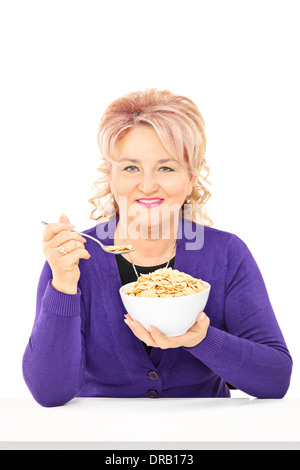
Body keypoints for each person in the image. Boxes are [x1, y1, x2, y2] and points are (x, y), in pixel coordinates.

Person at [22, 89, 292, 407]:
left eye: (166, 168)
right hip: (99, 435)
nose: (148, 185)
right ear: (110, 176)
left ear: (191, 178)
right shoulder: (75, 258)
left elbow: (275, 379)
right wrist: (64, 286)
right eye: (131, 168)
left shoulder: (226, 254)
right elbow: (49, 393)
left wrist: (202, 338)